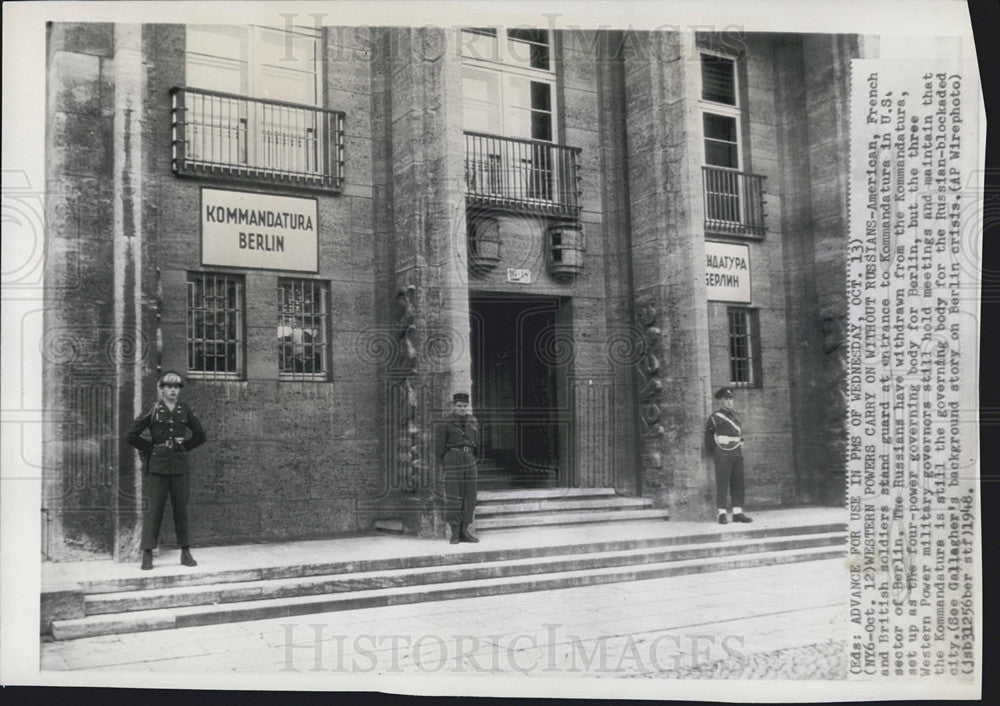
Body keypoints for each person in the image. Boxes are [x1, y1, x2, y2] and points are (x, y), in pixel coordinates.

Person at [124, 371, 207, 570]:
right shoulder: (152, 410)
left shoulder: (184, 410)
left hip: (179, 466)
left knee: (181, 510)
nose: (173, 390)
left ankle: (185, 552)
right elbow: (130, 435)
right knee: (153, 510)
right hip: (158, 467)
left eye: (176, 387)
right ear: (161, 389)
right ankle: (147, 553)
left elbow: (201, 435)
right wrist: (150, 448)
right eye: (169, 387)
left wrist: (183, 447)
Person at [436, 392, 480, 544]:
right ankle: (455, 533)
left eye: (464, 406)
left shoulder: (473, 421)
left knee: (470, 495)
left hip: (469, 458)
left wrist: (472, 459)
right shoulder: (445, 423)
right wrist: (447, 463)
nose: (462, 409)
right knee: (454, 495)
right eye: (459, 406)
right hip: (452, 458)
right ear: (454, 406)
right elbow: (439, 448)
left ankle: (464, 531)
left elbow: (477, 443)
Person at [705, 387, 752, 525]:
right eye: (726, 399)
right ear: (721, 401)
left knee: (738, 482)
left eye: (730, 399)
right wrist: (716, 453)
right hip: (722, 453)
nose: (728, 402)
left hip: (736, 452)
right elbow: (708, 438)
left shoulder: (736, 416)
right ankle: (722, 513)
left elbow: (738, 434)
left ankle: (737, 513)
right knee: (723, 483)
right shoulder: (715, 418)